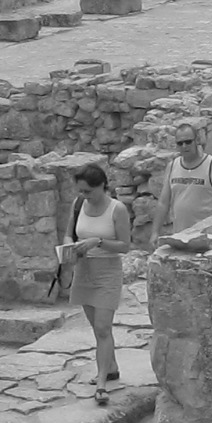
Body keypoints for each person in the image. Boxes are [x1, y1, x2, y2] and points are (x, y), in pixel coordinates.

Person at [68, 163, 131, 406]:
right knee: (97, 327)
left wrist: (98, 242)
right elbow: (69, 233)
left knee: (104, 327)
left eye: (88, 192)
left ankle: (102, 382)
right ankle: (111, 367)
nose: (84, 196)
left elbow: (125, 245)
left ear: (102, 186)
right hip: (84, 270)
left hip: (107, 272)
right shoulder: (77, 205)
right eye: (81, 191)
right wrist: (69, 248)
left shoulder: (117, 209)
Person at [152, 123, 212, 239]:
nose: (184, 146)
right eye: (180, 143)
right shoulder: (172, 166)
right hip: (180, 236)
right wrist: (155, 232)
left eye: (188, 142)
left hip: (206, 236)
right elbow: (163, 203)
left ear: (197, 141)